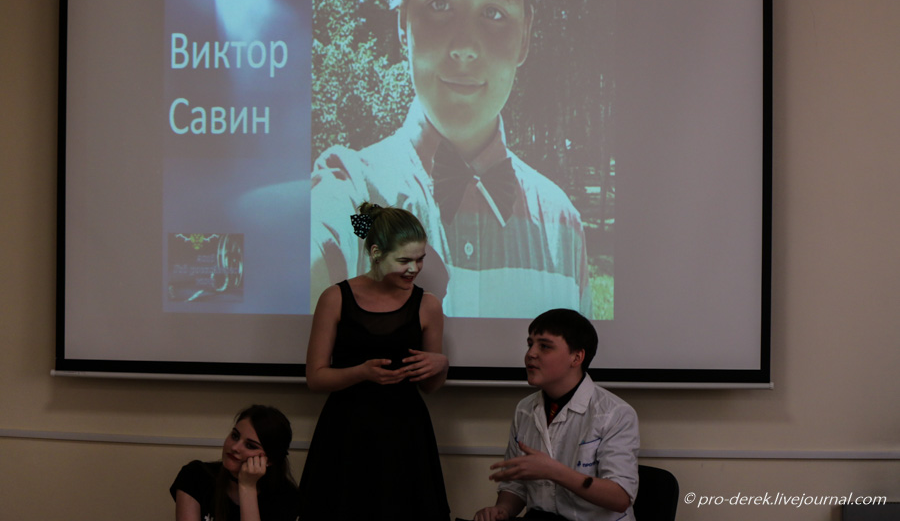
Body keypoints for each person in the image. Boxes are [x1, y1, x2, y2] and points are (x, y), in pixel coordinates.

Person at [310, 0, 591, 320]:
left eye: (493, 12)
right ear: (403, 25)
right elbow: (322, 242)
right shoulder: (354, 194)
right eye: (439, 5)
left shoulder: (565, 228)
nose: (464, 46)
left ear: (525, 37)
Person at [298, 202, 451, 521]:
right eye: (404, 260)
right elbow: (316, 377)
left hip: (406, 434)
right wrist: (361, 372)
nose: (414, 269)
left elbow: (429, 387)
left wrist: (440, 365)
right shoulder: (335, 298)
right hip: (346, 432)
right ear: (377, 254)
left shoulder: (428, 305)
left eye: (420, 259)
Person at [471, 309, 639, 521]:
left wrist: (553, 471)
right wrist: (502, 509)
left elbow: (620, 497)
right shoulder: (525, 409)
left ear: (576, 357)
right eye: (530, 344)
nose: (531, 354)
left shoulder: (615, 413)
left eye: (544, 346)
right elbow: (516, 485)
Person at [170, 404, 298, 521]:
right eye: (235, 436)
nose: (235, 447)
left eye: (250, 446)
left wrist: (247, 487)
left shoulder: (286, 498)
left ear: (269, 460)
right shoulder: (195, 475)